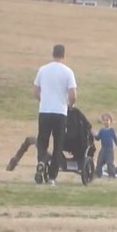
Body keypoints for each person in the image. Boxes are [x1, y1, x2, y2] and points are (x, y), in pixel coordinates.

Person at [33, 44, 77, 185]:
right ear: (64, 55)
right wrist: (70, 105)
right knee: (58, 145)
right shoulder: (68, 72)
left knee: (42, 142)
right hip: (60, 112)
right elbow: (73, 94)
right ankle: (52, 177)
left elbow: (35, 91)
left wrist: (44, 100)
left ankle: (41, 162)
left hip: (45, 111)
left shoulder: (43, 70)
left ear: (52, 54)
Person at [94, 112, 117, 178]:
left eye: (107, 120)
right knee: (99, 163)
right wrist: (94, 135)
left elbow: (115, 139)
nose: (106, 122)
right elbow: (98, 138)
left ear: (110, 121)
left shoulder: (112, 130)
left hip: (109, 150)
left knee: (110, 163)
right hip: (103, 149)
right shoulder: (101, 130)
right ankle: (98, 174)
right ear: (102, 122)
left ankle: (112, 175)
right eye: (104, 120)